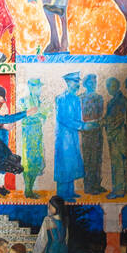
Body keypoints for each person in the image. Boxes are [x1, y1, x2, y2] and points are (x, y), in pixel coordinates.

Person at [52, 72, 90, 201]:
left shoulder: (76, 99)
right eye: (75, 82)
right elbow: (63, 118)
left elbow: (78, 117)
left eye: (78, 82)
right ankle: (63, 194)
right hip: (63, 138)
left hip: (72, 136)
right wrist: (81, 126)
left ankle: (70, 191)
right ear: (68, 83)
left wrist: (82, 125)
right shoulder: (61, 98)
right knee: (65, 165)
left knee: (72, 164)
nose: (77, 85)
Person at [20, 77, 48, 199]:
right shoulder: (25, 100)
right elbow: (25, 116)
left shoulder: (38, 100)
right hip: (29, 134)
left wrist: (41, 114)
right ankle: (28, 190)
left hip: (37, 133)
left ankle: (30, 190)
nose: (39, 89)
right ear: (31, 87)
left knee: (37, 161)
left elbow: (45, 113)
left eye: (39, 87)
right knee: (29, 163)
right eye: (37, 87)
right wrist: (38, 115)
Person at [102, 76, 127, 199]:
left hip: (118, 137)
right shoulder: (112, 101)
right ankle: (117, 189)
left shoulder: (121, 101)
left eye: (111, 86)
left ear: (117, 86)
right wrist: (103, 121)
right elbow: (109, 117)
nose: (109, 89)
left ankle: (119, 191)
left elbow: (119, 119)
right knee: (115, 164)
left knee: (118, 164)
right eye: (108, 87)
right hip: (113, 136)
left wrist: (106, 124)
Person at [80, 74, 106, 195]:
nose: (93, 84)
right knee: (88, 158)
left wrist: (96, 123)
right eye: (91, 82)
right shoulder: (81, 98)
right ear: (85, 84)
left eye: (95, 82)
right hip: (87, 131)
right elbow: (78, 115)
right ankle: (89, 186)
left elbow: (100, 114)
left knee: (97, 158)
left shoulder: (99, 97)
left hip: (97, 130)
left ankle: (97, 184)